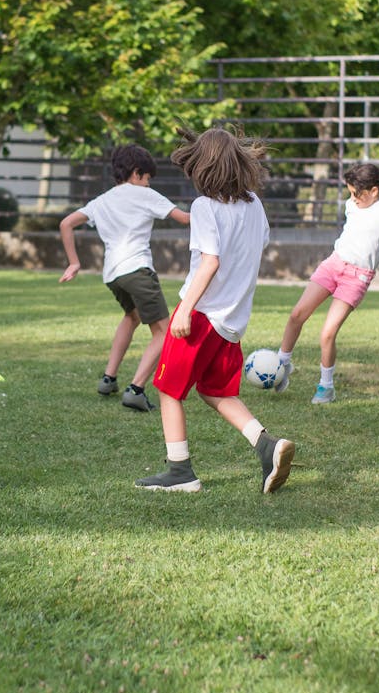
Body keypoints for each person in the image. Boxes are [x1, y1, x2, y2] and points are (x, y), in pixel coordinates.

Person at [135, 125, 295, 494]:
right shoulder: (254, 205)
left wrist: (186, 310)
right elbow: (260, 243)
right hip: (232, 322)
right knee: (215, 391)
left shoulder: (205, 207)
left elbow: (210, 262)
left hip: (201, 315)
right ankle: (268, 446)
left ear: (203, 168)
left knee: (168, 390)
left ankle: (180, 472)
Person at [59, 145, 190, 412]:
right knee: (165, 333)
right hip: (138, 269)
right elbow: (185, 219)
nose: (148, 182)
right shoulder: (145, 195)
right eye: (147, 177)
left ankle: (108, 379)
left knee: (132, 316)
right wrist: (214, 207)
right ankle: (136, 389)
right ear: (136, 173)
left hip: (113, 274)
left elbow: (66, 223)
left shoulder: (103, 200)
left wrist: (74, 262)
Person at [275, 162, 379, 404]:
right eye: (350, 192)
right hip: (334, 264)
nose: (352, 198)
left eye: (356, 193)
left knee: (327, 333)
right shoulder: (351, 205)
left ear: (374, 191)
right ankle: (281, 365)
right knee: (297, 314)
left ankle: (326, 386)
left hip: (358, 276)